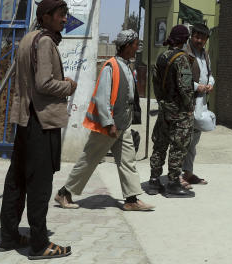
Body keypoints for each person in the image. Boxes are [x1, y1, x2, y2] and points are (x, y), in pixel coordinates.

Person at [0, 0, 77, 259]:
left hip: (24, 119)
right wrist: (68, 86)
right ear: (45, 17)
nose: (64, 19)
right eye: (59, 15)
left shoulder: (27, 40)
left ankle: (8, 237)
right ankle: (40, 244)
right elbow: (44, 84)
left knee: (16, 180)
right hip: (40, 121)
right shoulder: (44, 43)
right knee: (40, 184)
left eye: (65, 14)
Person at [54, 30, 154, 212]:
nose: (136, 48)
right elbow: (102, 99)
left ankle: (131, 199)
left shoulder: (126, 66)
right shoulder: (111, 66)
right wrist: (109, 123)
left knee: (127, 161)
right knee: (89, 160)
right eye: (134, 44)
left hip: (122, 124)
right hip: (108, 127)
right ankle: (64, 193)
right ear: (126, 45)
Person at [147, 24, 196, 198]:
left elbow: (155, 83)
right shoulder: (181, 58)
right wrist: (190, 107)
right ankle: (174, 183)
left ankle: (154, 181)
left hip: (165, 109)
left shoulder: (162, 57)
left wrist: (162, 102)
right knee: (178, 146)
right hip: (180, 112)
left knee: (160, 145)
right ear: (184, 40)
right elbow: (185, 87)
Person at [182, 22, 214, 187]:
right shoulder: (185, 54)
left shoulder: (205, 55)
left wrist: (210, 84)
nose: (199, 40)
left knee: (193, 142)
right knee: (183, 141)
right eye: (196, 36)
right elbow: (180, 79)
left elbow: (209, 75)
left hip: (200, 103)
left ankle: (188, 173)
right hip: (186, 104)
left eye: (202, 37)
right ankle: (177, 176)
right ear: (191, 36)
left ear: (207, 39)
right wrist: (197, 87)